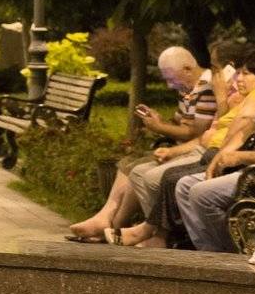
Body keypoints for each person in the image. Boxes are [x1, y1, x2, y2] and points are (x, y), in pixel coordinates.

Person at [114, 51, 255, 246]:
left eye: (244, 73)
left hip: (252, 168)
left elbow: (198, 132)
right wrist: (218, 154)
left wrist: (160, 128)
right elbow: (236, 130)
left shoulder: (252, 95)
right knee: (146, 173)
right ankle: (177, 240)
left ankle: (166, 236)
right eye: (237, 72)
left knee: (175, 182)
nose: (235, 78)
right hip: (224, 155)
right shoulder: (238, 97)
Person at [68, 46, 220, 241]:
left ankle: (119, 226)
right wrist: (159, 121)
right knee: (128, 165)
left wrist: (159, 128)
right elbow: (180, 123)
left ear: (187, 69)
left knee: (139, 170)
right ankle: (108, 220)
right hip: (182, 147)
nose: (169, 85)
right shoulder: (188, 88)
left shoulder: (205, 88)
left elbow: (195, 132)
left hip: (193, 150)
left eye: (171, 79)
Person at [176, 93, 255, 253]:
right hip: (252, 168)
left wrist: (242, 156)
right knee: (185, 186)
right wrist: (219, 157)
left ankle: (235, 253)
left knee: (202, 194)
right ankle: (210, 251)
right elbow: (252, 127)